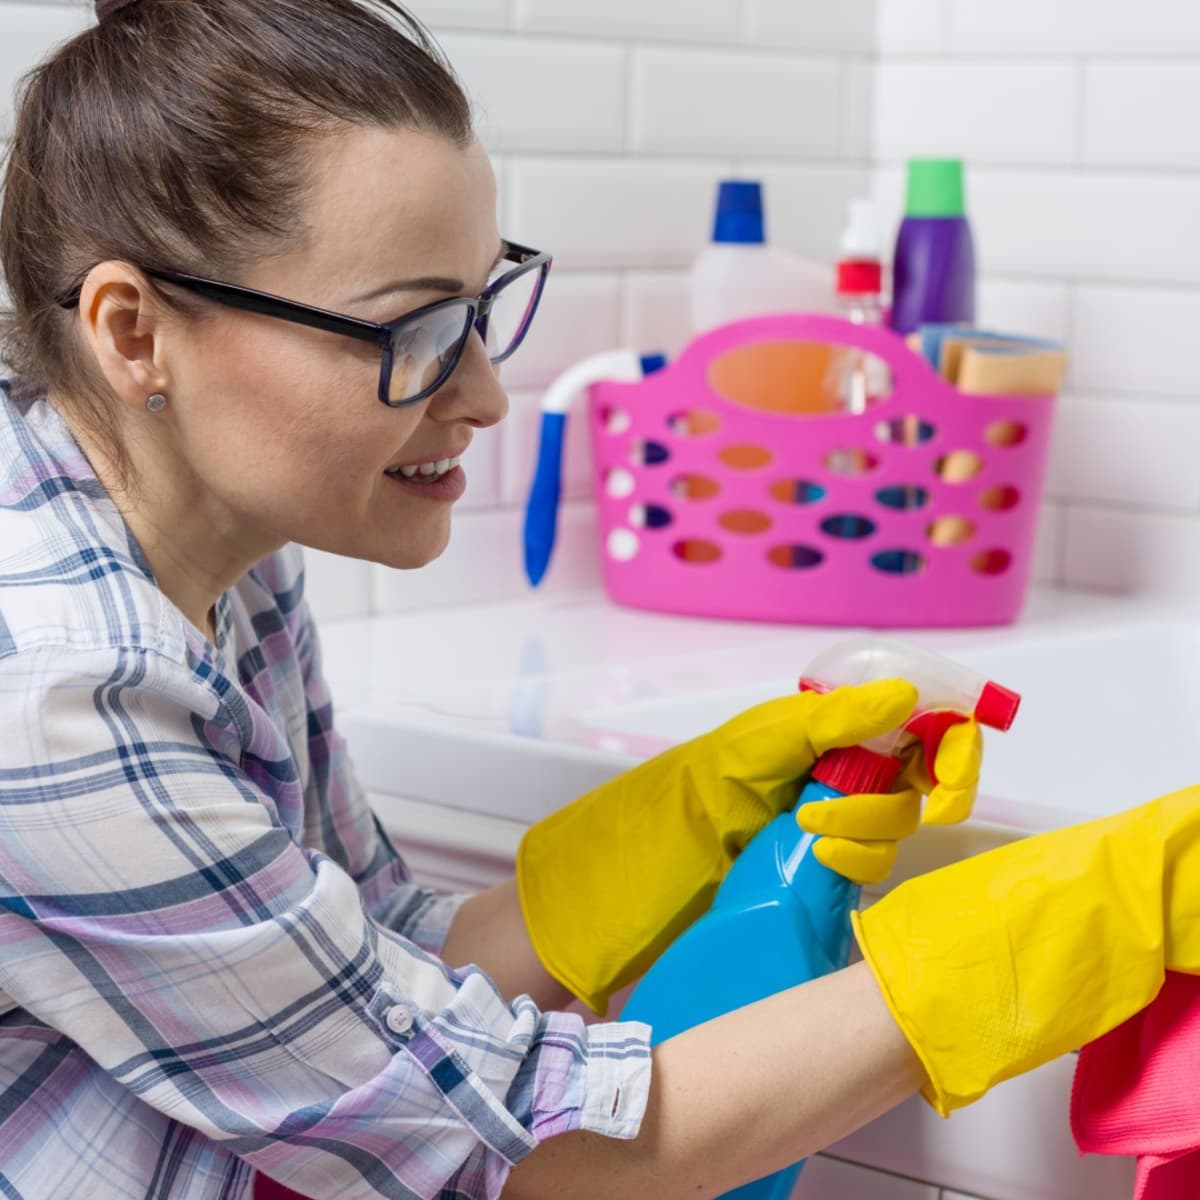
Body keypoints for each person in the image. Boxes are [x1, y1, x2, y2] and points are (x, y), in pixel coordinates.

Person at [0, 2, 1195, 1198]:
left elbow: (369, 970)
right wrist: (1048, 935)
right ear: (134, 331)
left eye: (479, 310)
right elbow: (510, 1156)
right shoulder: (58, 688)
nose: (482, 395)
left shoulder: (220, 543)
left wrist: (687, 813)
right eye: (410, 331)